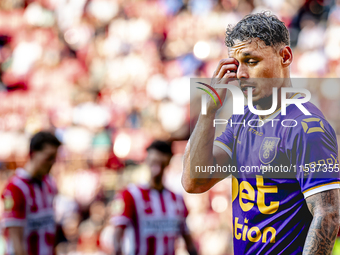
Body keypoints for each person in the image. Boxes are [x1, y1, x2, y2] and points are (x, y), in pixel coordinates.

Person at [182, 12, 340, 255]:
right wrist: (208, 111)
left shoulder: (307, 127)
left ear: (285, 56)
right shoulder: (241, 122)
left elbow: (327, 214)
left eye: (251, 61)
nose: (241, 75)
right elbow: (194, 181)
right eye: (237, 65)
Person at [112, 140, 197, 255]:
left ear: (167, 162)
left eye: (160, 162)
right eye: (154, 162)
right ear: (146, 161)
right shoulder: (131, 195)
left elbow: (188, 240)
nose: (157, 167)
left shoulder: (177, 199)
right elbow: (117, 234)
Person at [1, 131, 61, 255]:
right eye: (48, 157)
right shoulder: (15, 187)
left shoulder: (49, 183)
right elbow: (15, 238)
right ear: (33, 154)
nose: (52, 163)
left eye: (54, 158)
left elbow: (50, 229)